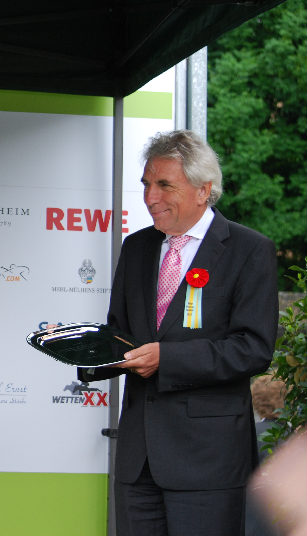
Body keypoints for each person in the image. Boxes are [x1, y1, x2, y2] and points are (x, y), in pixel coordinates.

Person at [80, 130, 278, 535]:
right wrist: (82, 348)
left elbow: (253, 348)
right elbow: (121, 335)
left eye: (164, 185)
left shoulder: (249, 250)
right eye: (146, 184)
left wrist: (166, 359)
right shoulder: (136, 248)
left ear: (204, 190)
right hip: (138, 462)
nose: (150, 197)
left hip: (208, 462)